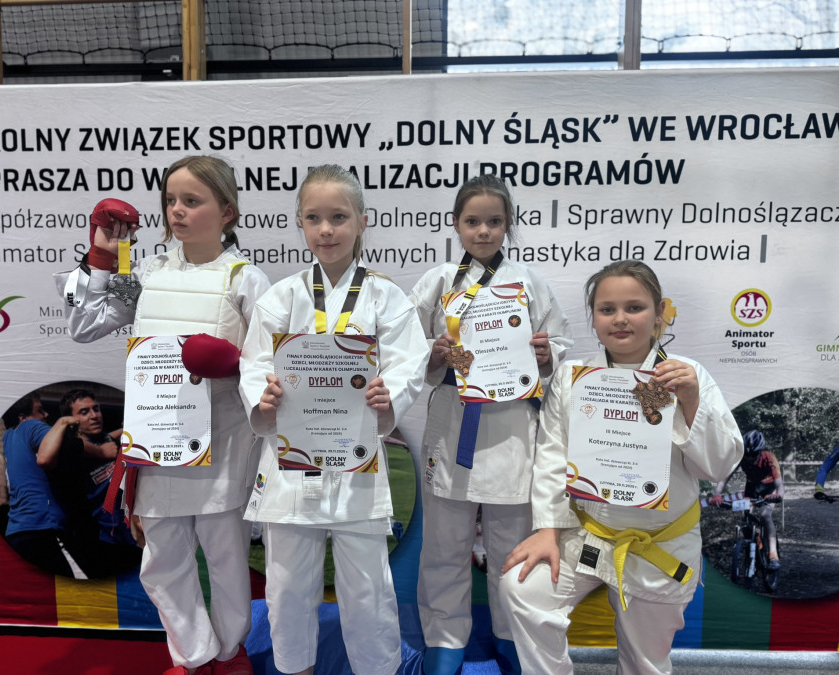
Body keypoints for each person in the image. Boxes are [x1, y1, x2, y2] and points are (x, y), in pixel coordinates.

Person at [56, 155, 270, 675]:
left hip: (222, 443)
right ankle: (193, 656)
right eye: (170, 200)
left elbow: (269, 366)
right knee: (161, 559)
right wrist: (100, 257)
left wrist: (234, 365)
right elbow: (83, 326)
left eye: (191, 201)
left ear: (227, 211)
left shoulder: (245, 279)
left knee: (225, 558)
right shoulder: (146, 272)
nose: (176, 210)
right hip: (156, 441)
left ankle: (230, 653)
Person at [499, 259, 743, 674]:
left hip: (659, 545)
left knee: (644, 663)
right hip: (589, 536)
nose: (620, 319)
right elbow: (552, 455)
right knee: (523, 588)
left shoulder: (687, 376)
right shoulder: (572, 377)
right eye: (607, 309)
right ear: (593, 318)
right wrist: (548, 531)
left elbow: (718, 466)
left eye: (634, 307)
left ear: (659, 313)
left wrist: (690, 401)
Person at [238, 164, 429, 675]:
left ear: (362, 221)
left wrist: (391, 394)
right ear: (300, 223)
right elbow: (254, 362)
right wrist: (263, 397)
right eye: (314, 218)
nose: (326, 230)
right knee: (286, 588)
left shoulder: (387, 297)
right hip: (291, 462)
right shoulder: (281, 297)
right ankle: (295, 669)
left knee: (368, 590)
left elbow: (409, 362)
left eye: (339, 217)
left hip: (356, 461)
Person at [408, 174, 572, 675]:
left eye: (494, 222)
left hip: (511, 428)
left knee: (511, 546)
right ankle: (444, 638)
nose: (483, 231)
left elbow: (559, 346)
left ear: (508, 225)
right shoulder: (438, 283)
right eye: (473, 221)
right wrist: (433, 353)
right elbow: (406, 350)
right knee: (444, 545)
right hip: (454, 422)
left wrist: (546, 354)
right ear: (456, 224)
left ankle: (511, 635)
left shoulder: (529, 283)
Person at [37, 388, 142, 577]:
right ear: (72, 420)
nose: (94, 416)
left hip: (125, 539)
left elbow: (111, 437)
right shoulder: (68, 452)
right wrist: (62, 423)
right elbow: (47, 457)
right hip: (95, 544)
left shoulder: (107, 441)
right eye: (84, 412)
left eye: (96, 409)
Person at [1, 393, 92, 577]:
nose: (46, 415)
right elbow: (59, 449)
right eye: (40, 410)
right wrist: (102, 450)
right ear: (22, 417)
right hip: (43, 526)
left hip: (17, 530)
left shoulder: (8, 437)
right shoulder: (31, 425)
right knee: (83, 584)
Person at [711, 430, 784, 568]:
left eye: (753, 455)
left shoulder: (769, 457)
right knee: (745, 518)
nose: (749, 458)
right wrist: (717, 494)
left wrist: (778, 496)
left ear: (760, 451)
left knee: (765, 516)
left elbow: (779, 484)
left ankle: (773, 555)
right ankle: (756, 543)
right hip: (752, 488)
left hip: (769, 488)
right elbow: (725, 477)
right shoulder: (741, 457)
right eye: (747, 454)